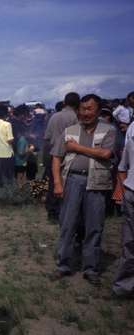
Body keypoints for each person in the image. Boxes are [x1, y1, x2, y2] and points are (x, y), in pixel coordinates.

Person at [51, 94, 116, 286]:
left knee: (94, 226)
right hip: (72, 180)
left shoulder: (108, 130)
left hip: (97, 181)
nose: (85, 113)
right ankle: (63, 265)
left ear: (98, 110)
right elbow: (56, 157)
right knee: (67, 224)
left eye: (89, 109)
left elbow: (106, 153)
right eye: (82, 109)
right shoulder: (70, 130)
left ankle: (91, 268)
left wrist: (76, 147)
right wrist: (57, 183)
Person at [43, 92, 80, 221]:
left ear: (64, 102)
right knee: (69, 183)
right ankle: (66, 211)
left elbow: (47, 137)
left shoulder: (54, 116)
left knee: (54, 182)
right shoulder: (76, 117)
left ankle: (52, 211)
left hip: (53, 153)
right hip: (70, 154)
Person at [113, 135, 134, 298]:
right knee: (129, 243)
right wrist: (123, 189)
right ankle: (124, 287)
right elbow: (122, 167)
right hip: (131, 193)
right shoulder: (132, 134)